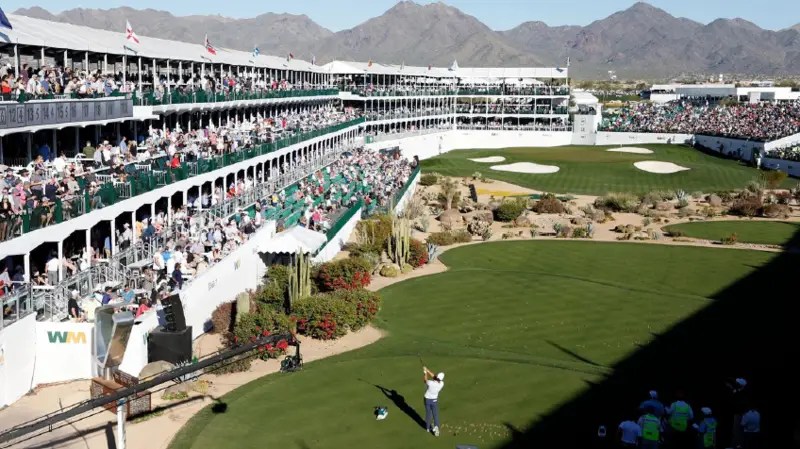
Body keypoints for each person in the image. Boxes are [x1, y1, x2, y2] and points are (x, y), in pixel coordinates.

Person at [422, 366, 444, 437]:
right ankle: (436, 427)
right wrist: (427, 370)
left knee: (428, 413)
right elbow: (434, 376)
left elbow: (425, 380)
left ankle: (428, 428)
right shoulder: (441, 384)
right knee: (435, 414)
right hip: (434, 400)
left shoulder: (431, 383)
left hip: (427, 399)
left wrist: (425, 372)